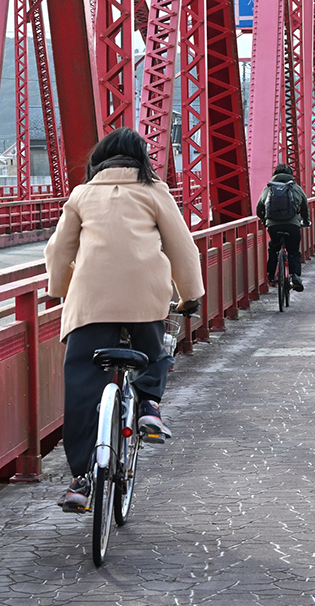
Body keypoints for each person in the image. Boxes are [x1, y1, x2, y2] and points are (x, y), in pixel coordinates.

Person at [45, 127, 204, 512]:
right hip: (144, 297)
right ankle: (149, 405)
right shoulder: (154, 192)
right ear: (141, 160)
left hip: (91, 303)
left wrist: (59, 288)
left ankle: (81, 480)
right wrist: (189, 297)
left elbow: (58, 250)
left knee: (83, 386)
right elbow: (182, 248)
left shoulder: (82, 194)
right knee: (154, 352)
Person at [256, 163, 310, 291]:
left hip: (273, 226)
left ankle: (270, 275)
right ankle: (295, 275)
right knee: (293, 251)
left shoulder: (268, 188)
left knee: (274, 248)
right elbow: (305, 207)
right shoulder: (295, 188)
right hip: (292, 225)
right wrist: (306, 221)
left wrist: (265, 221)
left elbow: (259, 208)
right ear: (290, 175)